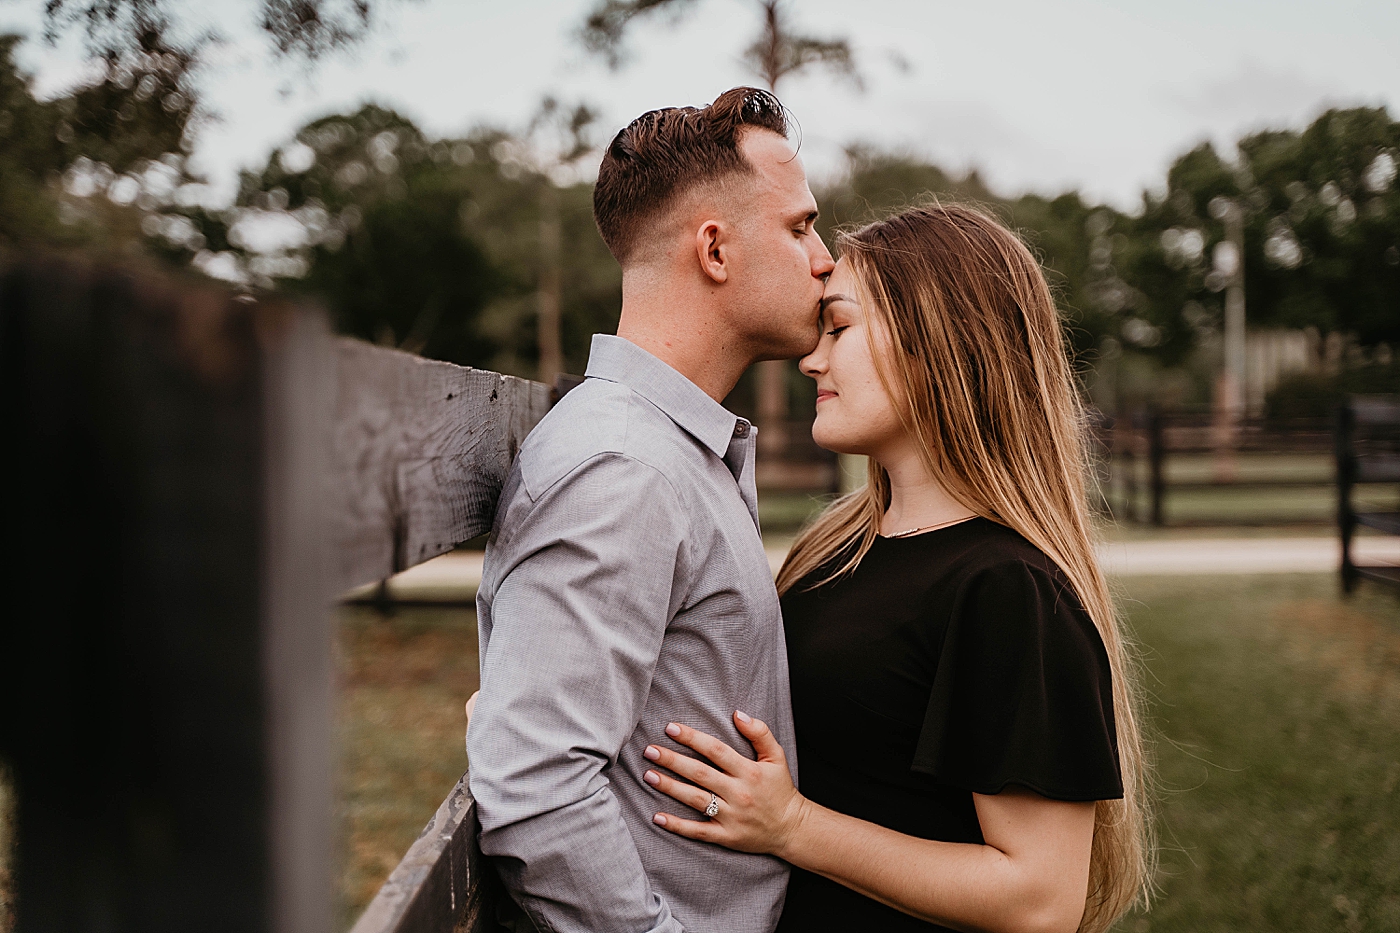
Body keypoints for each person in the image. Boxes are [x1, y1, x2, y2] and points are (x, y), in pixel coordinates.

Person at [639, 204, 1155, 933]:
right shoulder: (835, 545)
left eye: (840, 327)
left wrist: (794, 826)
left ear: (937, 342)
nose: (813, 359)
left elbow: (1040, 898)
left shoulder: (1008, 588)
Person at [465, 87, 835, 933]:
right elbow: (535, 780)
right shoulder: (622, 468)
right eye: (800, 227)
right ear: (714, 248)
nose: (826, 259)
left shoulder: (671, 449)